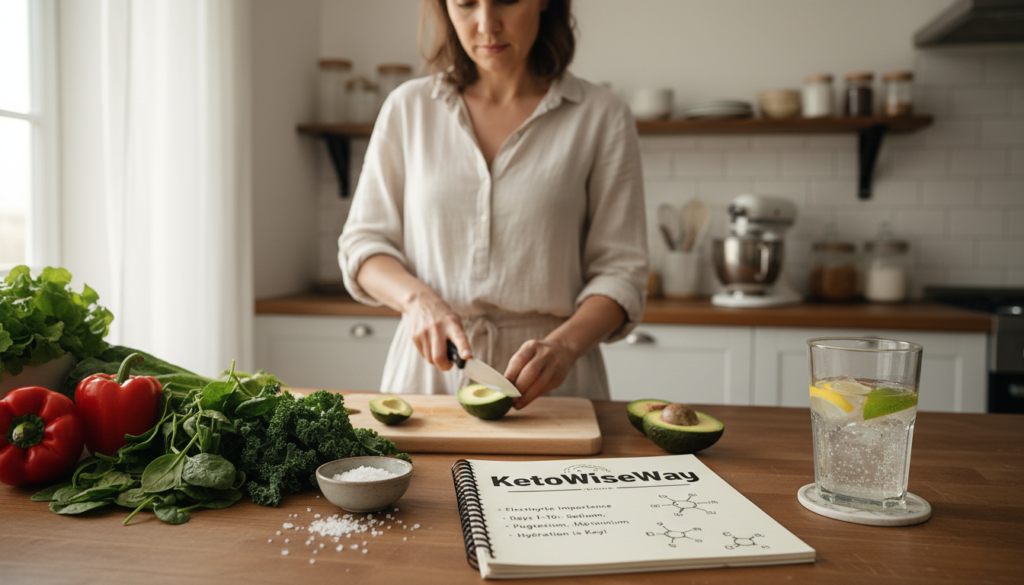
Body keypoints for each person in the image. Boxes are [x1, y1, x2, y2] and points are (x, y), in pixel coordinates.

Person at [338, 0, 647, 409]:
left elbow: (621, 272)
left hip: (552, 389)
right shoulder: (407, 108)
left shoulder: (602, 116)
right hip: (426, 382)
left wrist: (565, 347)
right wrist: (418, 303)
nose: (487, 24)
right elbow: (362, 245)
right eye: (466, 4)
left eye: (505, 0)